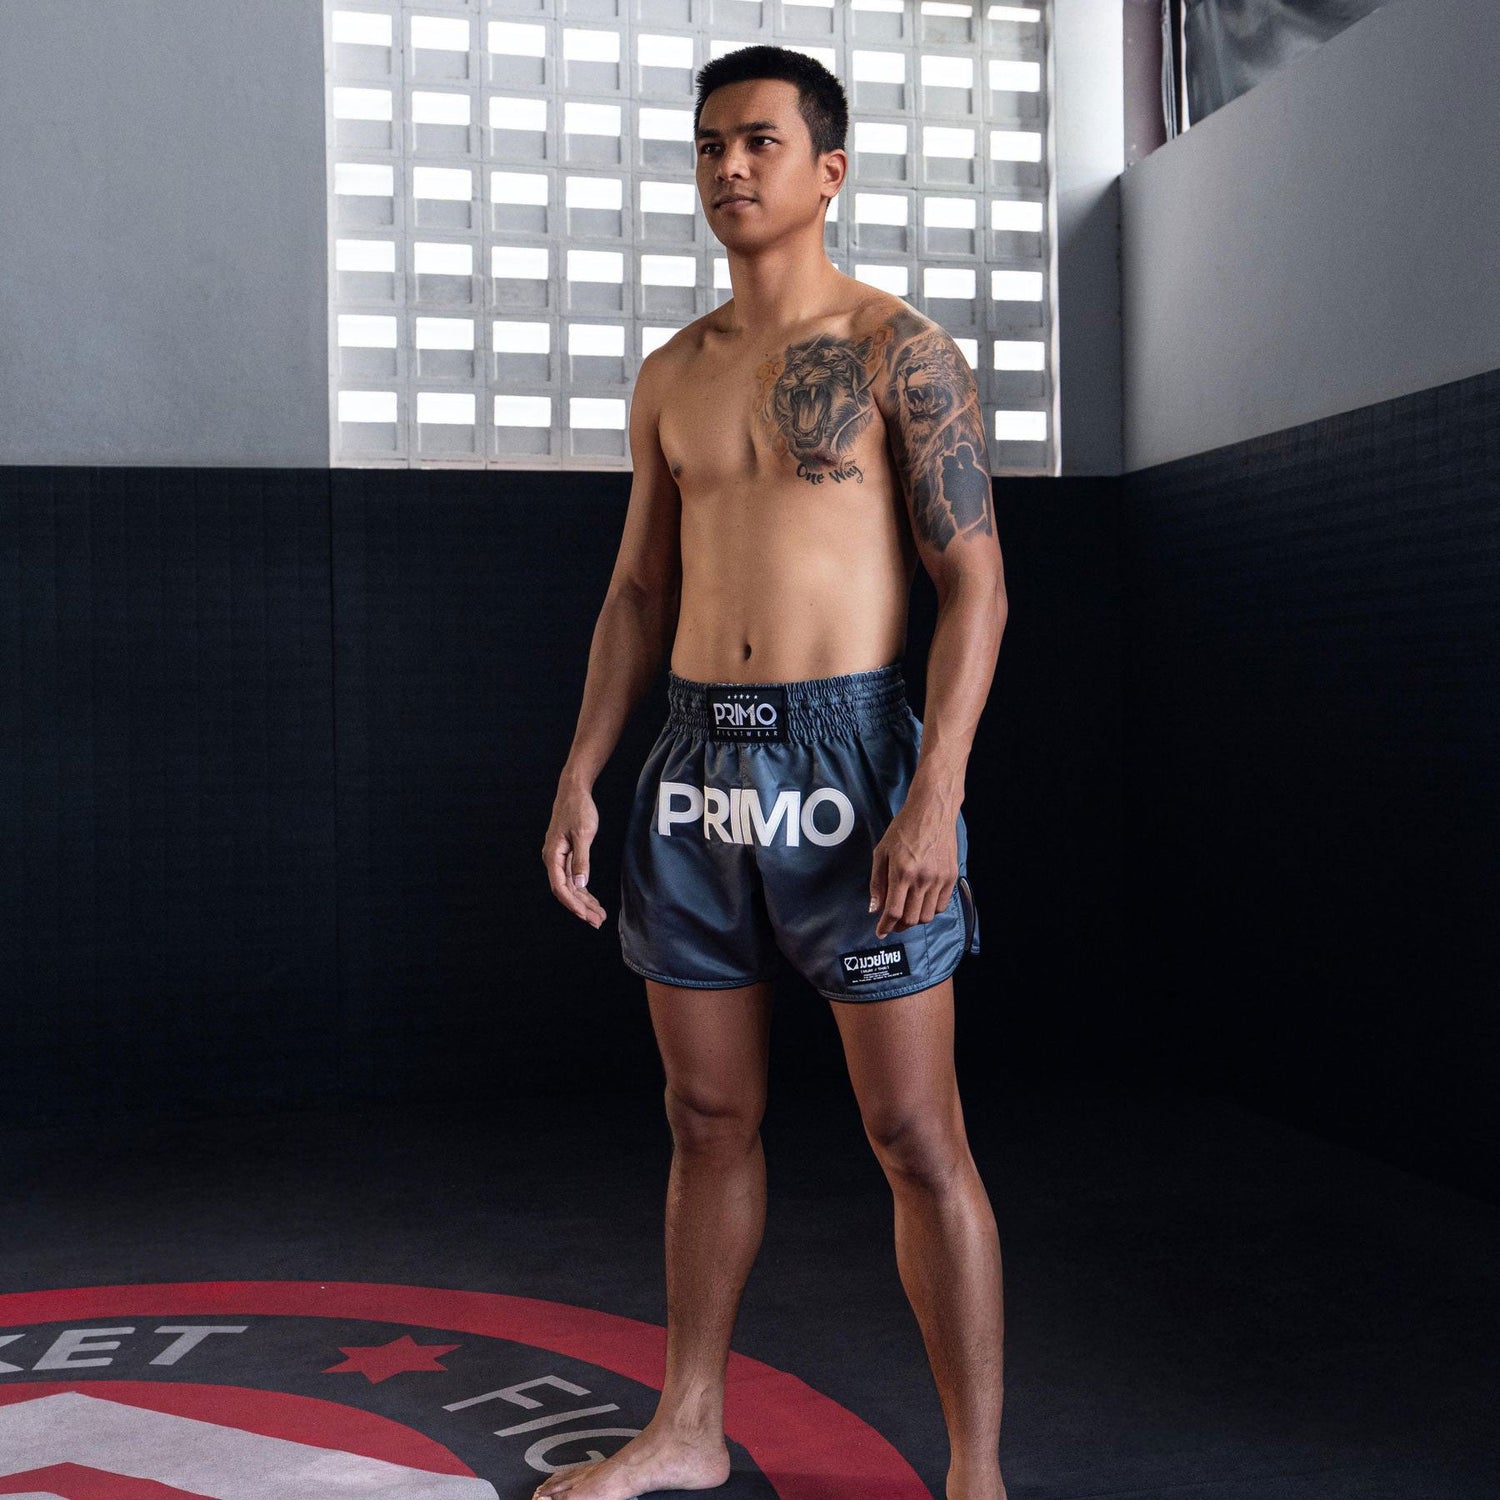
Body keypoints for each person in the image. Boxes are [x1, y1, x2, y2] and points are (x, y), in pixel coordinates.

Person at [540, 43, 1009, 1500]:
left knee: (913, 1131)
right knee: (705, 1120)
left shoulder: (899, 351)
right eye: (709, 146)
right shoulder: (672, 374)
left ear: (828, 169)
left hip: (851, 759)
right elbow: (638, 590)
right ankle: (686, 1427)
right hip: (694, 767)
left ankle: (976, 1471)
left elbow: (976, 585)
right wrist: (584, 770)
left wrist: (935, 793)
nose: (729, 167)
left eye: (758, 141)